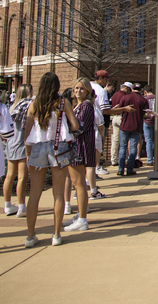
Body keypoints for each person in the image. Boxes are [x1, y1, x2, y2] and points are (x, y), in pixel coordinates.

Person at [23, 72, 79, 248]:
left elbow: (27, 130)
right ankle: (56, 234)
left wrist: (27, 151)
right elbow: (75, 125)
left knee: (34, 194)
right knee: (58, 192)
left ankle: (30, 236)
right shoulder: (63, 103)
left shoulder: (34, 104)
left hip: (38, 146)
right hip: (59, 147)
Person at [63, 79, 97, 232]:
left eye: (82, 89)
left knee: (79, 184)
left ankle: (82, 219)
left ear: (88, 91)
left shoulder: (86, 106)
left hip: (80, 148)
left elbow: (79, 127)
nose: (78, 91)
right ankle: (80, 214)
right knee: (77, 184)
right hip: (74, 147)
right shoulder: (76, 105)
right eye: (76, 88)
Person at [4, 85, 32, 217]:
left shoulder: (11, 107)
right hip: (22, 143)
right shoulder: (27, 106)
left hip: (11, 143)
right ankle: (21, 206)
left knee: (9, 176)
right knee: (22, 177)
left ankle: (7, 205)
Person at [114, 83, 148, 176]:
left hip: (125, 125)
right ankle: (130, 169)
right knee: (133, 147)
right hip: (136, 125)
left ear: (132, 89)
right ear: (140, 90)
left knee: (123, 147)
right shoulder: (143, 100)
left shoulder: (125, 97)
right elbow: (146, 114)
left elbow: (120, 109)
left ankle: (120, 169)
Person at [143, 84, 158, 165]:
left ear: (145, 91)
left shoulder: (144, 99)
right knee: (157, 140)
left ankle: (149, 160)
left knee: (149, 141)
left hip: (147, 121)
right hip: (156, 120)